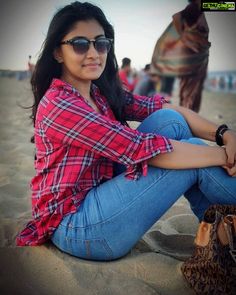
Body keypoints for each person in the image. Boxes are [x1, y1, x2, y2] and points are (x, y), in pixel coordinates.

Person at [16, 2, 236, 262]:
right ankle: (221, 228)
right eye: (79, 44)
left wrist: (225, 134)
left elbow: (165, 107)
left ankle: (216, 229)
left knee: (170, 120)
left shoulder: (98, 93)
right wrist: (223, 156)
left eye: (100, 43)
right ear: (58, 53)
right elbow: (139, 148)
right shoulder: (59, 104)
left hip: (100, 192)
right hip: (76, 226)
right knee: (193, 159)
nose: (93, 53)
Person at [152, 0, 210, 112]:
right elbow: (176, 16)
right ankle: (189, 119)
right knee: (190, 93)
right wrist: (184, 37)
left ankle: (189, 117)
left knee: (188, 93)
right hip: (193, 60)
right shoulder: (194, 8)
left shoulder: (196, 9)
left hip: (194, 59)